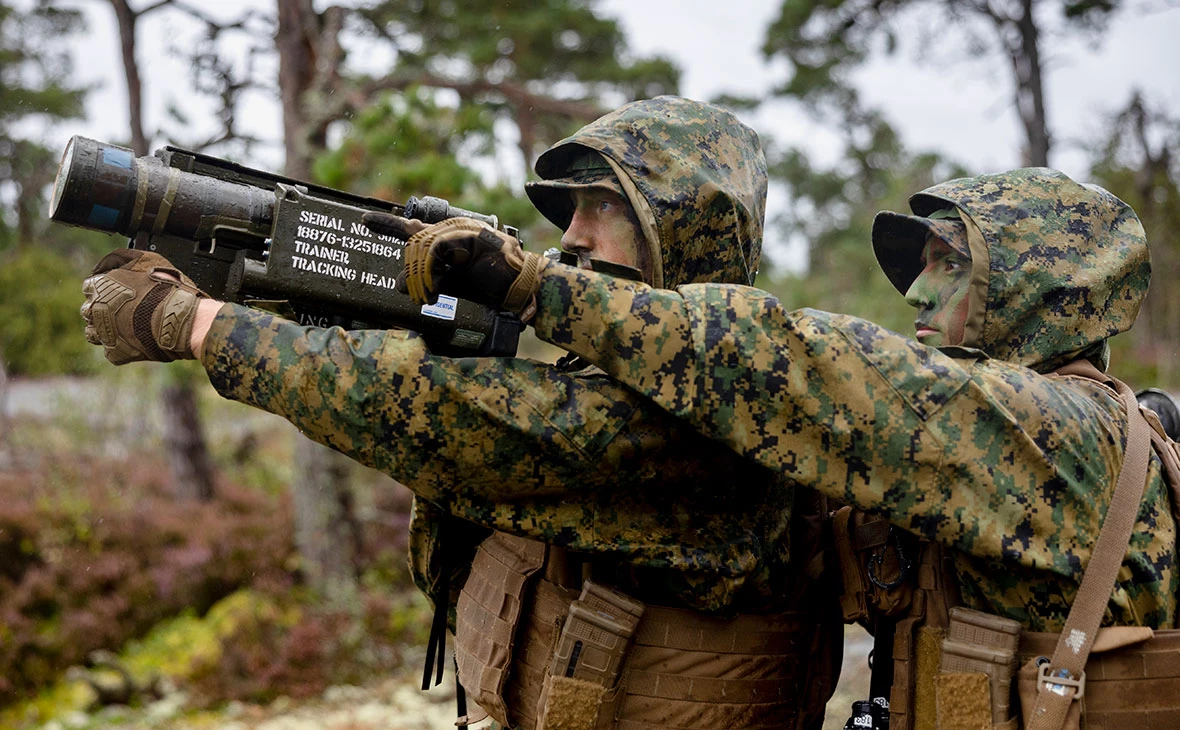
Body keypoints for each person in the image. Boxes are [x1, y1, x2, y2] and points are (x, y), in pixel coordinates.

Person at [79, 96, 841, 730]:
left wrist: (201, 325)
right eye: (572, 209)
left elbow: (446, 415)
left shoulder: (718, 409)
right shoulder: (617, 367)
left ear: (685, 228)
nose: (572, 236)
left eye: (605, 206)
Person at [397, 166, 1180, 728]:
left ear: (1035, 290)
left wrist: (535, 287)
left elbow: (793, 367)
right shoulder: (980, 452)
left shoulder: (1058, 432)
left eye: (950, 263)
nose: (917, 290)